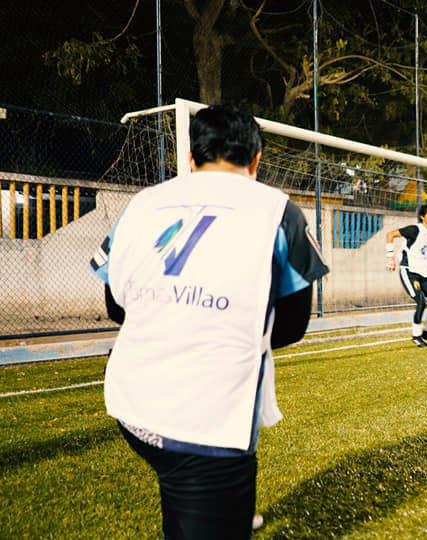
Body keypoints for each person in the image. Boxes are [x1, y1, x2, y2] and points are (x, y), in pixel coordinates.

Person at [88, 105, 328, 539]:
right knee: (199, 497)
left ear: (191, 158)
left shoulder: (143, 203)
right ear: (256, 159)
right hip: (207, 418)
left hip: (131, 402)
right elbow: (293, 325)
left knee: (180, 495)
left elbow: (116, 306)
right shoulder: (279, 211)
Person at [385, 203, 427, 347]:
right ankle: (416, 336)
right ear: (422, 217)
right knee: (421, 301)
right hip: (408, 271)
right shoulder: (414, 229)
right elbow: (390, 235)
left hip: (422, 271)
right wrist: (390, 257)